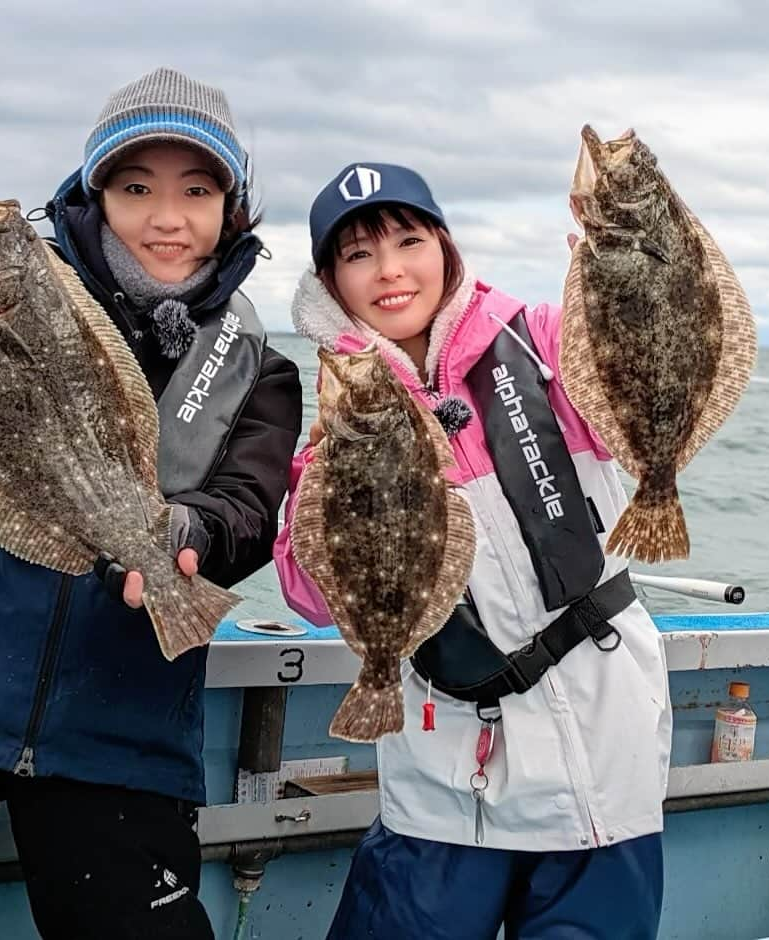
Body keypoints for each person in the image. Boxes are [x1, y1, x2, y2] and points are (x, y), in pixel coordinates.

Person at [0, 66, 302, 940]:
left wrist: (187, 536)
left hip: (123, 725)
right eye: (136, 188)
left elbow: (248, 514)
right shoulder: (13, 297)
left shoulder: (261, 367)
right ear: (95, 197)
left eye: (197, 190)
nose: (166, 218)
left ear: (230, 208)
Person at [274, 162, 671, 940]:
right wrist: (322, 480)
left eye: (408, 241)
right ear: (331, 282)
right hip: (445, 772)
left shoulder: (545, 341)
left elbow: (641, 389)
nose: (389, 270)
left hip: (604, 756)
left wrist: (626, 262)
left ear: (446, 247)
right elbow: (309, 597)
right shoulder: (339, 407)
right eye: (357, 255)